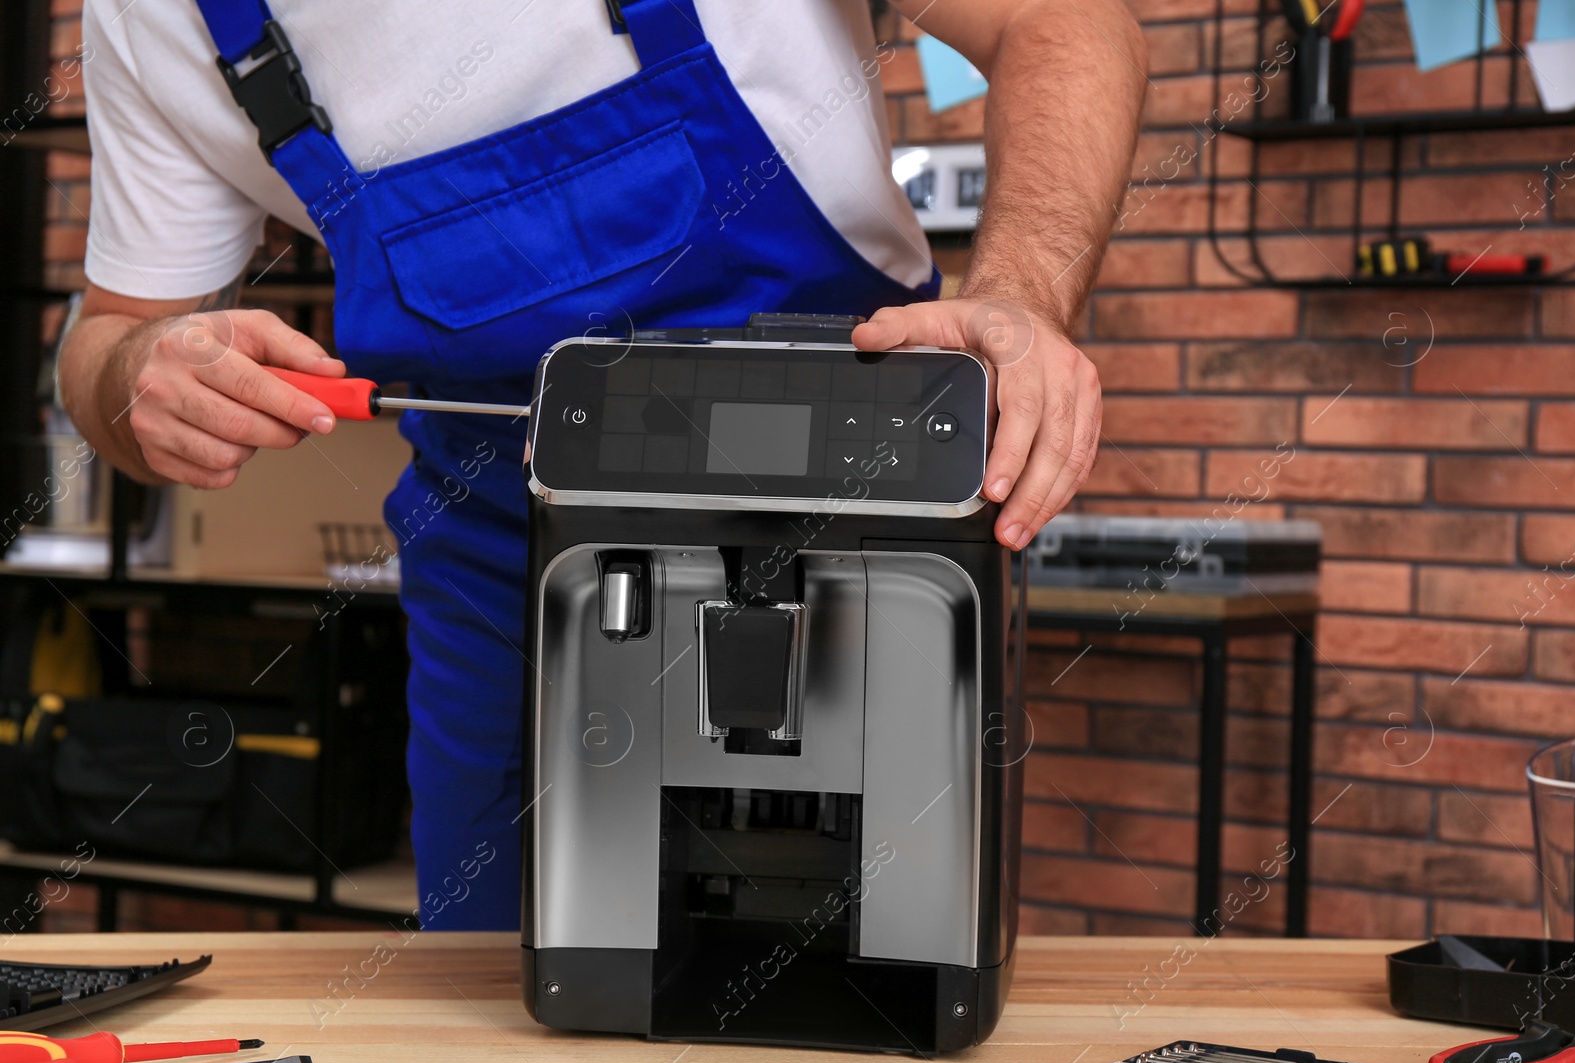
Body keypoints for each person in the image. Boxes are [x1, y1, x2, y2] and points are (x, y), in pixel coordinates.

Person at [60, 0, 1147, 929]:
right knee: (504, 982)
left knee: (878, 965)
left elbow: (1057, 19)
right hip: (507, 561)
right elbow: (111, 335)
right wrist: (138, 374)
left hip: (848, 511)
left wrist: (1020, 293)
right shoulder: (155, 15)